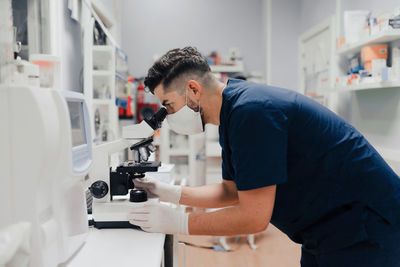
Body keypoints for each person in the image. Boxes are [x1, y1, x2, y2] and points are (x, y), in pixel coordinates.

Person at [128, 47, 400, 266]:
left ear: (193, 90)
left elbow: (253, 217)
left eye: (168, 105)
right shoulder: (233, 113)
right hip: (327, 231)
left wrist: (176, 221)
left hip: (368, 228)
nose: (168, 115)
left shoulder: (252, 112)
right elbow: (231, 191)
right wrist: (166, 192)